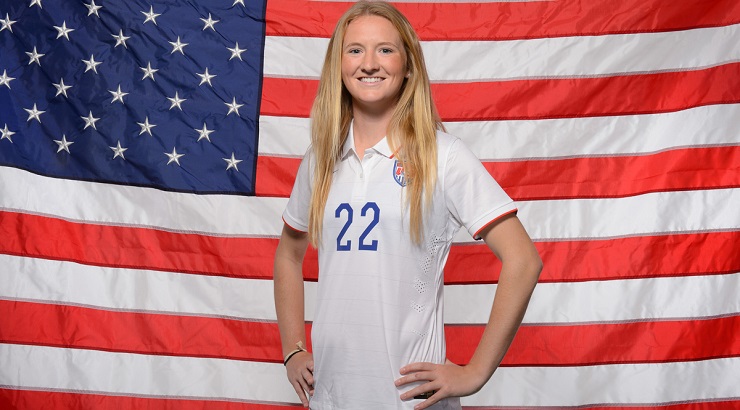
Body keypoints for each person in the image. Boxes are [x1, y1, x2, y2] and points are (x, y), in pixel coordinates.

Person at [273, 2, 542, 409]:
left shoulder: (443, 155)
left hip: (411, 401)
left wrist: (475, 372)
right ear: (338, 66)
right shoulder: (321, 161)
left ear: (408, 65)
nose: (368, 63)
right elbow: (289, 256)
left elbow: (523, 260)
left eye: (385, 49)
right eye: (355, 50)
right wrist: (293, 348)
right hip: (332, 397)